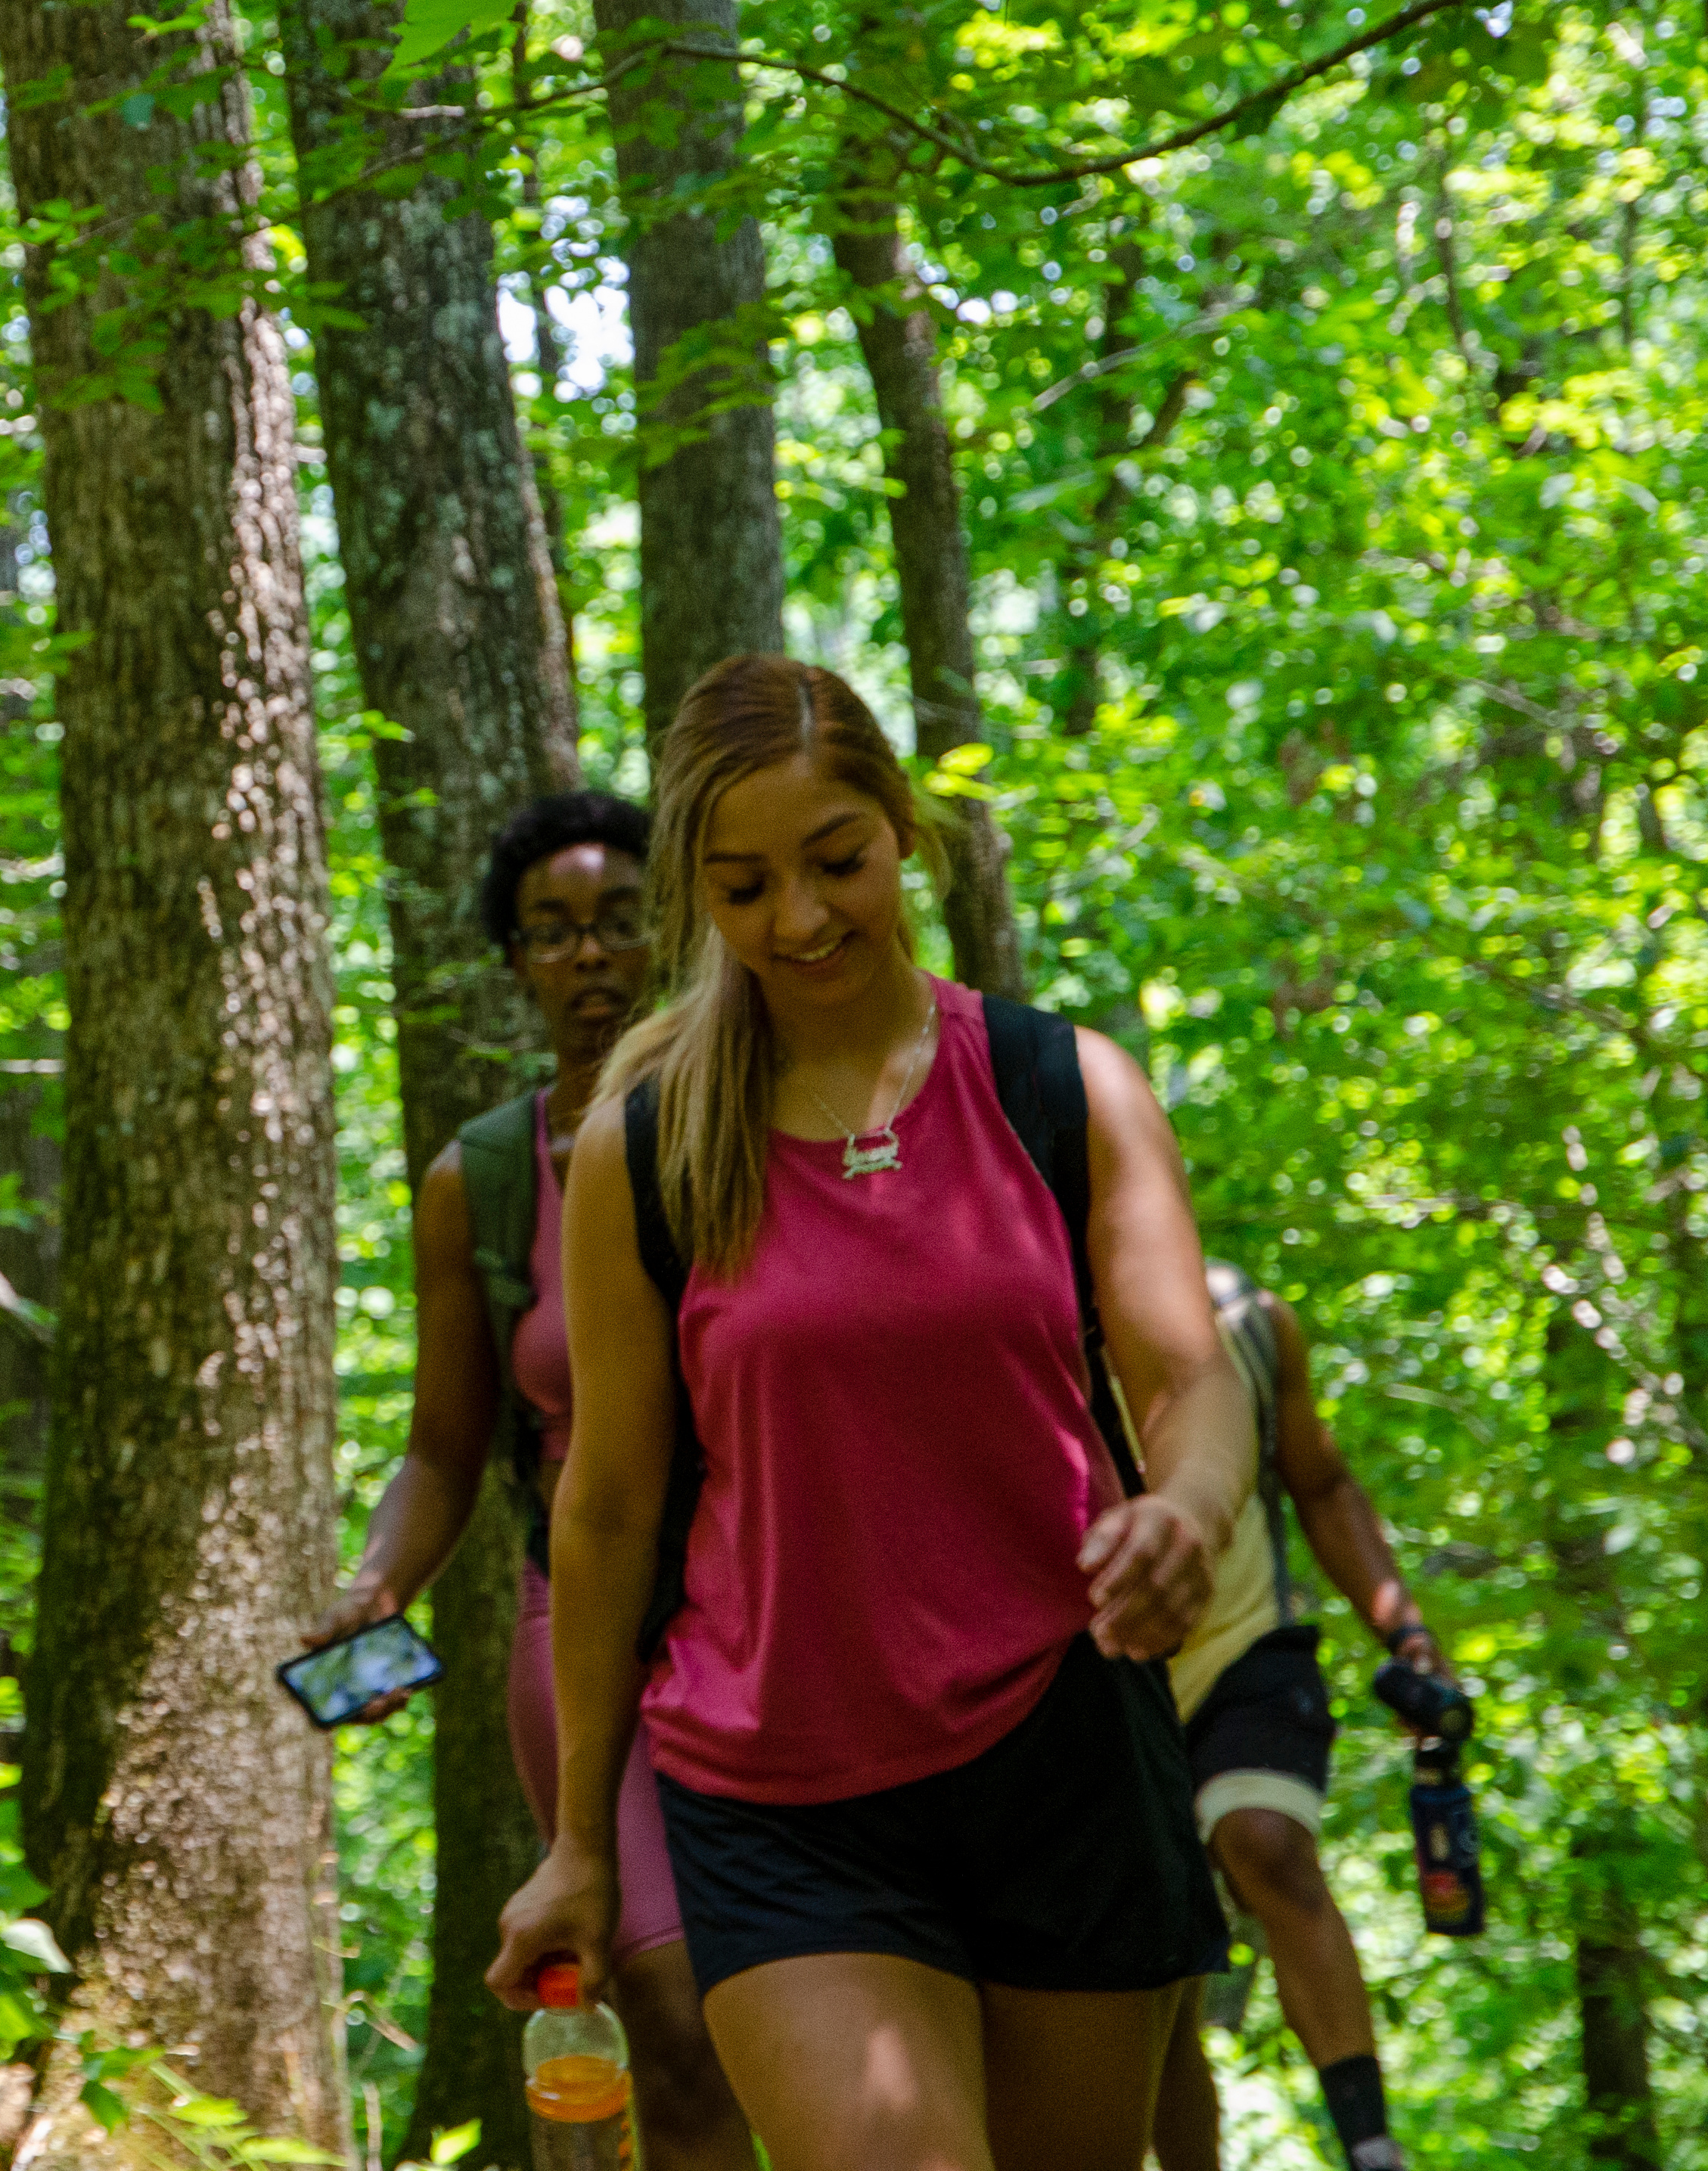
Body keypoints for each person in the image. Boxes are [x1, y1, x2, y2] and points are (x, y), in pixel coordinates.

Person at [488, 654, 1256, 2171]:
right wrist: (580, 1838)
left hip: (1061, 1755)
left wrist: (1187, 1505)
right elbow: (610, 1505)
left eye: (834, 861)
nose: (799, 919)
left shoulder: (1063, 1087)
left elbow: (1187, 1379)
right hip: (775, 1791)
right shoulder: (641, 1151)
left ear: (899, 826)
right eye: (742, 886)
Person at [301, 791, 752, 2166]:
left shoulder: (748, 1129)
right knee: (672, 2018)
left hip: (772, 1613)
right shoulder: (479, 1183)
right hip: (585, 1636)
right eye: (550, 932)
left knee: (806, 2000)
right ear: (515, 960)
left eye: (617, 921)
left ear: (664, 933)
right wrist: (376, 1578)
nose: (588, 957)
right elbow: (443, 1447)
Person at [1148, 1266, 1451, 2171]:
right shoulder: (1019, 1321)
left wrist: (1404, 1637)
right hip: (1101, 1680)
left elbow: (1318, 1486)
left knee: (1264, 1840)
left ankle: (1368, 2145)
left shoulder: (1246, 1321)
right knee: (1153, 1971)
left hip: (1245, 1646)